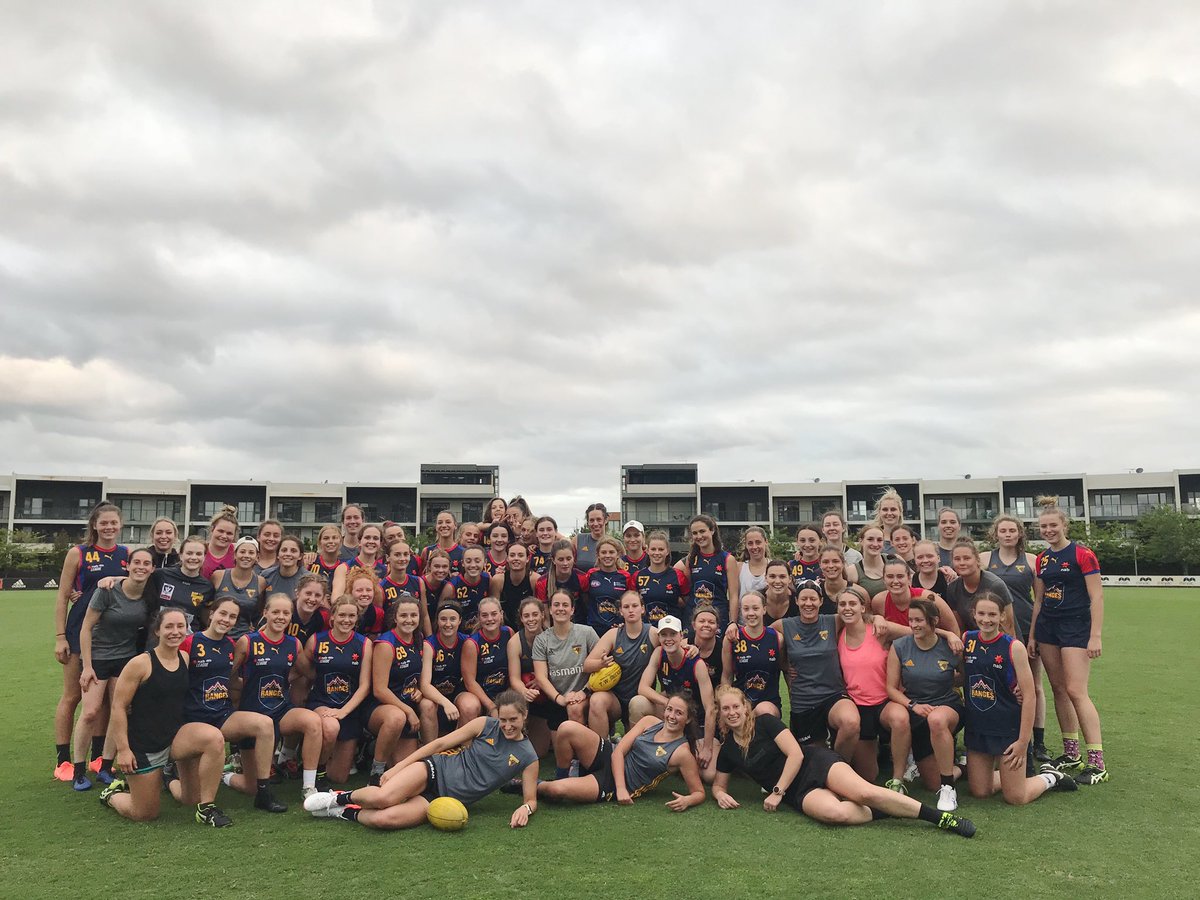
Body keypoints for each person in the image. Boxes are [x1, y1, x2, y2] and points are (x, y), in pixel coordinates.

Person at [711, 686, 975, 837]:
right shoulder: (729, 750)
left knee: (863, 791)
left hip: (813, 764)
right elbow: (719, 783)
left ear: (746, 707)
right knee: (835, 814)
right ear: (720, 714)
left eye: (736, 707)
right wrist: (719, 793)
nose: (732, 713)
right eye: (726, 709)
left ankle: (938, 818)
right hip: (798, 791)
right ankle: (884, 809)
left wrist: (777, 792)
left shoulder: (766, 723)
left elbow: (796, 754)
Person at [304, 691, 540, 830]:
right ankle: (335, 797)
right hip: (434, 769)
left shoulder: (528, 756)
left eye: (513, 720)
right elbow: (439, 744)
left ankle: (341, 812)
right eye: (503, 719)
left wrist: (525, 808)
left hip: (442, 799)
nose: (507, 726)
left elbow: (531, 798)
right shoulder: (485, 725)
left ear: (524, 716)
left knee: (385, 820)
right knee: (384, 797)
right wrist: (398, 767)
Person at [99, 608, 231, 827]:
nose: (175, 632)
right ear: (157, 631)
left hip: (175, 737)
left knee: (213, 740)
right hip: (145, 744)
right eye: (169, 626)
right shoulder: (140, 663)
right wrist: (123, 750)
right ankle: (112, 795)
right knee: (145, 813)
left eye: (180, 626)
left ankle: (204, 807)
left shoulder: (185, 657)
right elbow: (119, 708)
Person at [962, 592, 1078, 804]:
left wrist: (1023, 741)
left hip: (1007, 729)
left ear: (1002, 617)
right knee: (980, 791)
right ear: (973, 614)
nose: (986, 619)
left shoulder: (1012, 646)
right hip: (978, 727)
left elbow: (1030, 695)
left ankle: (1050, 777)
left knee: (1016, 797)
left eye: (992, 614)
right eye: (981, 613)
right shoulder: (967, 639)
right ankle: (1010, 778)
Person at [178, 596, 287, 812]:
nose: (226, 620)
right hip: (193, 720)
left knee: (264, 724)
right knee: (190, 798)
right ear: (212, 614)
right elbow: (175, 682)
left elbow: (233, 679)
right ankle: (169, 778)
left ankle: (263, 791)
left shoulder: (231, 645)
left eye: (232, 617)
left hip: (222, 716)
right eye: (223, 613)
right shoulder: (190, 642)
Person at [1029, 497, 1107, 785]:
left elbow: (1097, 596)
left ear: (1064, 525)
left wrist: (1095, 635)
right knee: (1059, 689)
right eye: (1043, 526)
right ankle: (1071, 752)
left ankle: (1097, 761)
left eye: (1053, 525)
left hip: (1076, 628)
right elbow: (1038, 600)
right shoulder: (1042, 559)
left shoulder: (1083, 555)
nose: (1048, 530)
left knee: (1076, 690)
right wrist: (1034, 635)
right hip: (1048, 628)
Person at [53, 502, 128, 781]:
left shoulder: (126, 554)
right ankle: (63, 761)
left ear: (120, 525)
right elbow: (62, 596)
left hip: (111, 639)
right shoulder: (79, 553)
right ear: (94, 526)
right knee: (73, 695)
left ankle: (98, 757)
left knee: (106, 702)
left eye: (113, 523)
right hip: (78, 633)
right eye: (103, 523)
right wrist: (60, 636)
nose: (109, 527)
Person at [71, 547, 154, 790]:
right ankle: (78, 770)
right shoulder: (107, 590)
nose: (141, 567)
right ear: (126, 566)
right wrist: (86, 667)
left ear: (152, 568)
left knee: (120, 710)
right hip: (97, 657)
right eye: (135, 562)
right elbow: (86, 628)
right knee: (90, 712)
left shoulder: (149, 594)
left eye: (146, 563)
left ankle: (106, 767)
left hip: (125, 659)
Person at [537, 692, 705, 810]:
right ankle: (562, 777)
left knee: (556, 789)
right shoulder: (649, 722)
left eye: (679, 713)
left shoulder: (682, 753)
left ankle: (530, 785)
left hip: (610, 783)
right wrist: (621, 788)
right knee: (566, 728)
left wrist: (688, 801)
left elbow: (698, 792)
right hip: (609, 755)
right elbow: (618, 752)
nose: (671, 716)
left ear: (688, 719)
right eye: (669, 709)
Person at [233, 593, 324, 798]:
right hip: (253, 714)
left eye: (285, 613)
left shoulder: (294, 644)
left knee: (312, 722)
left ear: (291, 616)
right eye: (275, 612)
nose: (280, 616)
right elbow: (230, 677)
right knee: (252, 788)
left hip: (280, 710)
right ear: (265, 613)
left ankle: (308, 787)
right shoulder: (247, 642)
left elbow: (298, 671)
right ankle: (225, 776)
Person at [884, 599, 964, 810]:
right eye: (911, 620)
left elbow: (967, 677)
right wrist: (912, 706)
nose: (914, 625)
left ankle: (948, 789)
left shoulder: (950, 647)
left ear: (933, 621)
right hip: (917, 710)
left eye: (919, 620)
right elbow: (891, 688)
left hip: (946, 706)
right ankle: (960, 768)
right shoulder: (900, 646)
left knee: (936, 720)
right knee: (931, 783)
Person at [982, 513, 1050, 760]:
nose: (1008, 534)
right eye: (1003, 531)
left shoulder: (1031, 560)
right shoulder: (984, 559)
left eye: (1012, 530)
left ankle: (1038, 741)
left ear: (1020, 533)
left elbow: (1039, 600)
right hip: (995, 632)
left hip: (1026, 628)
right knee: (1001, 686)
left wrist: (1033, 635)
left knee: (1033, 685)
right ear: (996, 533)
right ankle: (1002, 736)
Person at [778, 581, 860, 760]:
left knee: (851, 723)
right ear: (797, 602)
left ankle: (840, 768)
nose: (809, 603)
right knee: (814, 758)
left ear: (821, 601)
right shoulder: (784, 626)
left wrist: (876, 618)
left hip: (833, 695)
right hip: (803, 701)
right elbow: (760, 638)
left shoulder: (833, 621)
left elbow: (862, 618)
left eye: (813, 599)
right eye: (804, 599)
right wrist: (783, 665)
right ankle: (827, 765)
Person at [300, 594, 373, 785]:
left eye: (351, 616)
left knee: (340, 778)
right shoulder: (317, 640)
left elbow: (365, 685)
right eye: (342, 615)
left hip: (348, 708)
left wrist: (344, 711)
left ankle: (315, 758)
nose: (346, 620)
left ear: (357, 619)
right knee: (331, 728)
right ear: (332, 616)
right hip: (321, 703)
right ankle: (319, 772)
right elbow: (302, 668)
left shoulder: (364, 644)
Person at [638, 615, 716, 773]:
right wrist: (669, 704)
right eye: (664, 635)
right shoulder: (659, 653)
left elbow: (710, 709)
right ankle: (642, 751)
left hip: (694, 721)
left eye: (673, 634)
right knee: (638, 703)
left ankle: (677, 753)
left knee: (708, 774)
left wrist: (707, 748)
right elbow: (643, 688)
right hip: (671, 716)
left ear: (681, 636)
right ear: (659, 637)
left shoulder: (696, 663)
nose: (668, 639)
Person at [364, 593, 424, 785]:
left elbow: (417, 676)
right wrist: (407, 711)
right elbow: (379, 690)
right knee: (396, 718)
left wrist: (419, 690)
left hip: (406, 704)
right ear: (395, 618)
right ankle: (376, 772)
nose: (409, 620)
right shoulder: (386, 644)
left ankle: (374, 747)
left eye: (413, 615)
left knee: (403, 771)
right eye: (404, 615)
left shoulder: (418, 639)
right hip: (380, 708)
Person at [584, 591, 659, 738]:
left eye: (635, 605)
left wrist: (691, 648)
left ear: (643, 609)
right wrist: (601, 663)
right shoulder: (614, 634)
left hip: (641, 700)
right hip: (616, 700)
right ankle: (602, 752)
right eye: (626, 606)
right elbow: (587, 665)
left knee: (631, 745)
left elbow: (674, 643)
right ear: (620, 611)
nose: (631, 610)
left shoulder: (652, 633)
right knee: (597, 700)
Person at [835, 589, 892, 783]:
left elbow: (916, 631)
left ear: (862, 607)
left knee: (900, 720)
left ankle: (903, 770)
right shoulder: (838, 633)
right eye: (842, 604)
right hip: (859, 706)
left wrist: (949, 635)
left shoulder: (878, 629)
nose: (847, 608)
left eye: (852, 604)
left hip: (885, 702)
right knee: (869, 776)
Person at [532, 589, 600, 728]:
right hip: (557, 699)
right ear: (550, 610)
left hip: (586, 695)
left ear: (572, 610)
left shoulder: (587, 633)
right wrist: (560, 699)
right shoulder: (541, 640)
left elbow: (602, 667)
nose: (560, 609)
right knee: (561, 748)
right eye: (556, 605)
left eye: (565, 605)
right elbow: (541, 677)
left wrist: (585, 692)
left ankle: (590, 745)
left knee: (574, 709)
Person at [418, 600, 479, 740]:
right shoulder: (429, 644)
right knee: (427, 705)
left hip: (457, 691)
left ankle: (462, 752)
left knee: (471, 705)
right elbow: (424, 685)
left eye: (452, 619)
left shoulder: (467, 641)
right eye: (443, 619)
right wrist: (445, 702)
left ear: (460, 621)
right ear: (437, 621)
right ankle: (431, 753)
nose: (448, 624)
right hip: (434, 694)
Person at [721, 591, 782, 718]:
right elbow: (727, 677)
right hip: (741, 706)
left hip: (769, 705)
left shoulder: (777, 638)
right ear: (741, 611)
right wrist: (725, 705)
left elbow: (786, 671)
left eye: (755, 608)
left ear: (764, 609)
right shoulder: (732, 638)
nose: (751, 613)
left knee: (763, 711)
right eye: (746, 609)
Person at [507, 596, 554, 756]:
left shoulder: (552, 637)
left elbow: (561, 670)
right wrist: (525, 691)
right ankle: (513, 742)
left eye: (535, 614)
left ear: (542, 615)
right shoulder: (515, 642)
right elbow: (514, 678)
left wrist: (542, 680)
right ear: (521, 618)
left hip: (549, 693)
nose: (531, 619)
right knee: (515, 697)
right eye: (526, 616)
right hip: (528, 694)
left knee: (540, 752)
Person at [676, 514, 739, 631]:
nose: (699, 536)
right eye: (695, 533)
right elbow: (677, 577)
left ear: (712, 530)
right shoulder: (691, 558)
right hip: (693, 617)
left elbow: (734, 596)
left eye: (702, 531)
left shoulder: (727, 559)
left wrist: (733, 622)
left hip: (718, 617)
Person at [945, 539, 1020, 637]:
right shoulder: (953, 588)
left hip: (1002, 641)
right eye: (957, 559)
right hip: (974, 643)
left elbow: (1008, 627)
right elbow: (959, 628)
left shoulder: (995, 585)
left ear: (977, 560)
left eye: (967, 558)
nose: (962, 563)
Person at [872, 558, 960, 638]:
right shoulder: (879, 602)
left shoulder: (926, 598)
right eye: (890, 576)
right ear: (883, 579)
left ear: (909, 579)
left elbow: (954, 631)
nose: (895, 581)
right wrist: (876, 617)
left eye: (900, 576)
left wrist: (948, 636)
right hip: (897, 650)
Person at [461, 597, 514, 716]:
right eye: (485, 615)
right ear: (479, 618)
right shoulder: (472, 644)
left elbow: (514, 669)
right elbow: (470, 682)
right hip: (479, 694)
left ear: (501, 614)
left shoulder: (509, 633)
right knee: (470, 706)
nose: (490, 619)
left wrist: (508, 698)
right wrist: (491, 706)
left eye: (494, 614)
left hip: (503, 692)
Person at [212, 536, 268, 640]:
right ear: (235, 555)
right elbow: (207, 606)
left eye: (251, 553)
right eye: (242, 552)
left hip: (244, 639)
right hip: (217, 636)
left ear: (257, 557)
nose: (246, 556)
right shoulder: (218, 576)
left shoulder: (261, 582)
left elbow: (259, 612)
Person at [584, 536, 638, 635]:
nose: (607, 556)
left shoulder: (625, 577)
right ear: (598, 555)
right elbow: (585, 598)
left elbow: (630, 602)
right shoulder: (591, 574)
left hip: (618, 629)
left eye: (611, 552)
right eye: (603, 552)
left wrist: (624, 623)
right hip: (594, 630)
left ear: (618, 554)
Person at [637, 531, 689, 626]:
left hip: (671, 631)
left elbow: (687, 603)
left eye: (661, 549)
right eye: (653, 549)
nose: (657, 553)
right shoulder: (638, 576)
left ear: (667, 551)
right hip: (646, 630)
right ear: (647, 551)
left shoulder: (678, 575)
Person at [380, 540, 429, 634]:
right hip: (392, 639)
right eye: (397, 555)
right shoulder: (381, 588)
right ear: (388, 558)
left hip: (415, 637)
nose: (402, 558)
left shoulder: (418, 582)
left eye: (406, 554)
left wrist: (430, 639)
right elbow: (379, 622)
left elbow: (425, 615)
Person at [440, 545, 491, 632]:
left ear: (485, 562)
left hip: (482, 632)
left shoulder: (488, 580)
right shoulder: (452, 586)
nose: (473, 565)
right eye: (468, 561)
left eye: (477, 561)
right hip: (458, 634)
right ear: (463, 563)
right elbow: (441, 616)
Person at [489, 541, 536, 629]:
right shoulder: (498, 580)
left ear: (527, 558)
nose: (516, 558)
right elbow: (494, 610)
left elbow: (539, 611)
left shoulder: (534, 579)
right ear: (507, 558)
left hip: (529, 625)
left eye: (521, 555)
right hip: (504, 627)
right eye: (512, 555)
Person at [533, 540, 590, 613]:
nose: (565, 563)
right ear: (553, 560)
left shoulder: (582, 578)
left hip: (578, 621)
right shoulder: (542, 582)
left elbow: (588, 606)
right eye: (561, 559)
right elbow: (545, 617)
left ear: (574, 558)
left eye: (569, 559)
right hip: (554, 622)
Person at [332, 524, 386, 597]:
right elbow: (336, 598)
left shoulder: (386, 571)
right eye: (367, 537)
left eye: (375, 538)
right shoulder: (344, 568)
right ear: (359, 541)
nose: (371, 541)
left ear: (380, 543)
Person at [817, 546, 869, 614]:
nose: (831, 566)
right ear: (820, 565)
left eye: (835, 561)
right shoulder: (816, 593)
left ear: (843, 563)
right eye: (826, 562)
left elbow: (867, 619)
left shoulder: (860, 592)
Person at [288, 574, 331, 646]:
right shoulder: (285, 611)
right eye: (308, 593)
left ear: (323, 599)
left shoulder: (326, 617)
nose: (312, 599)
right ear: (297, 593)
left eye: (317, 595)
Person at [260, 534, 306, 600]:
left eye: (293, 551)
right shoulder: (265, 576)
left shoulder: (308, 579)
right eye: (284, 550)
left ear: (300, 556)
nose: (288, 554)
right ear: (278, 555)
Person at [421, 510, 466, 576]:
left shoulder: (463, 553)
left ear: (455, 525)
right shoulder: (427, 551)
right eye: (440, 523)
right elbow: (420, 578)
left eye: (448, 522)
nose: (444, 525)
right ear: (436, 527)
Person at [346, 566, 387, 636]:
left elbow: (373, 638)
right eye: (359, 590)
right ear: (350, 592)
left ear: (374, 592)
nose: (364, 594)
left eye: (368, 590)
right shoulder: (343, 611)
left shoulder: (378, 613)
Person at [201, 505, 239, 579]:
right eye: (220, 531)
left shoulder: (238, 553)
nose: (224, 536)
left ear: (234, 535)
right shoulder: (200, 550)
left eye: (229, 533)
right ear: (212, 529)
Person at [854, 525, 888, 599]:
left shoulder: (894, 560)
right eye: (870, 539)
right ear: (861, 541)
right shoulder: (853, 571)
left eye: (879, 540)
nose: (875, 544)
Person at [420, 550, 453, 627]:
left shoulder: (448, 587)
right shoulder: (419, 583)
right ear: (429, 566)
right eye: (437, 566)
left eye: (444, 566)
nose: (441, 570)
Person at [574, 502, 610, 572]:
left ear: (606, 520)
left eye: (599, 519)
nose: (595, 524)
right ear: (588, 522)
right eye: (592, 520)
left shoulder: (615, 544)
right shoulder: (578, 540)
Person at [762, 560, 797, 629]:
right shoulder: (758, 599)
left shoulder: (797, 600)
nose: (777, 581)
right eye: (772, 576)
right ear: (766, 578)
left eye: (782, 576)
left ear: (790, 579)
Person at [309, 524, 344, 593]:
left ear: (340, 541)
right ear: (319, 542)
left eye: (334, 538)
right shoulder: (310, 561)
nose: (330, 541)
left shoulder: (345, 566)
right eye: (326, 538)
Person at [788, 524, 823, 590]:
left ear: (820, 541)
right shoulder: (790, 566)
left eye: (812, 540)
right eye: (802, 540)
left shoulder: (827, 564)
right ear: (797, 542)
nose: (807, 545)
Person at [738, 526, 770, 597]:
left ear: (766, 542)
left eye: (758, 542)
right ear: (745, 545)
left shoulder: (774, 567)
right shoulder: (738, 568)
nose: (754, 547)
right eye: (750, 543)